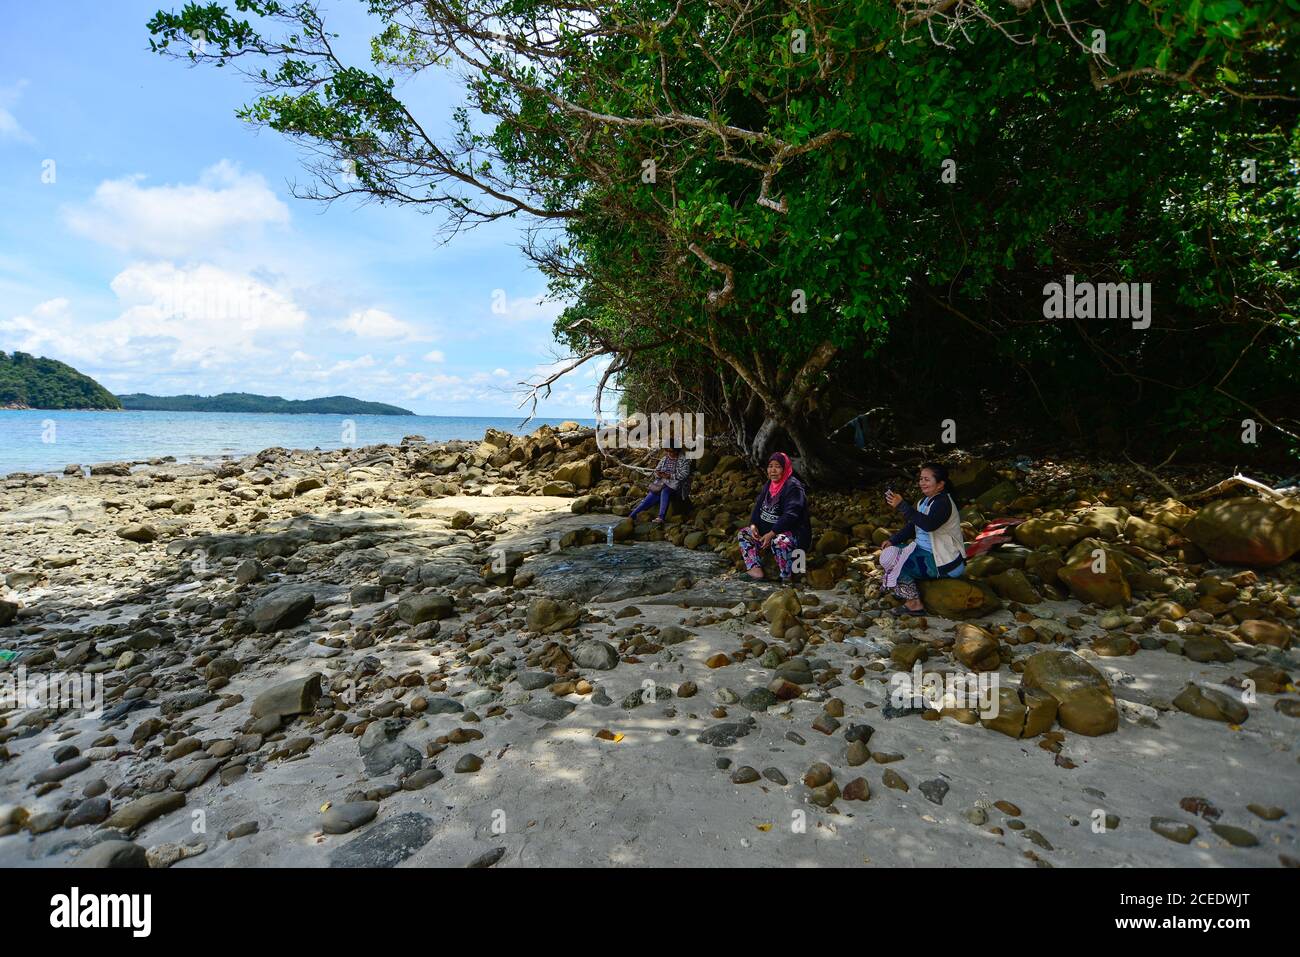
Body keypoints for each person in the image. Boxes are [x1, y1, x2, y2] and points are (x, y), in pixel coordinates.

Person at [881, 462, 965, 616]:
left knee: (893, 562)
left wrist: (902, 506)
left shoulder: (943, 502)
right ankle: (909, 592)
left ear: (940, 484)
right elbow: (913, 525)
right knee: (888, 553)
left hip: (944, 560)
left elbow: (928, 525)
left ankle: (914, 604)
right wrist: (893, 540)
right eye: (921, 479)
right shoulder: (924, 501)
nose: (922, 483)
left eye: (927, 479)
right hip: (923, 551)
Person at [738, 452, 812, 581]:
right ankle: (755, 570)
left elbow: (791, 515)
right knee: (744, 534)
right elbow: (758, 507)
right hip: (769, 532)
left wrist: (772, 533)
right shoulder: (769, 484)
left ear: (785, 468)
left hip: (792, 534)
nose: (773, 470)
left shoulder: (793, 487)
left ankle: (787, 576)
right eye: (770, 466)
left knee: (780, 541)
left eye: (777, 466)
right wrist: (754, 525)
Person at [628, 444, 692, 524]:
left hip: (677, 487)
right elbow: (656, 470)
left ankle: (661, 517)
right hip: (663, 484)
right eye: (667, 450)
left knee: (665, 491)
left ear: (677, 450)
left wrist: (670, 476)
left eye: (671, 451)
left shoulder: (684, 460)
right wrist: (658, 474)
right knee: (649, 498)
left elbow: (685, 474)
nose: (669, 453)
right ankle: (630, 517)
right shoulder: (665, 459)